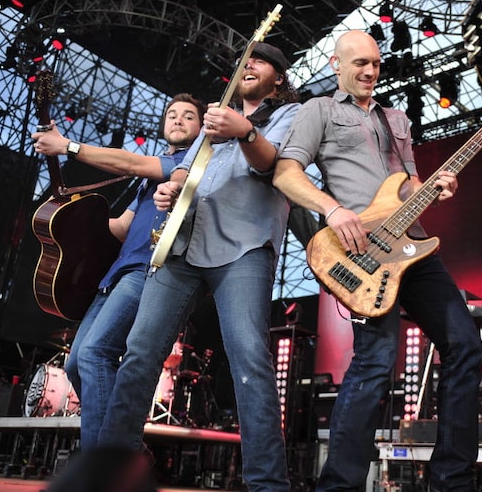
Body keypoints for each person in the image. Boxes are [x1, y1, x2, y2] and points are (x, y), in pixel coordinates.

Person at [273, 30, 482, 492]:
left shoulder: (396, 118)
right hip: (364, 252)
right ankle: (339, 485)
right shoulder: (320, 111)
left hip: (414, 245)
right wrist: (332, 208)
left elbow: (406, 184)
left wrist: (433, 187)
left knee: (465, 345)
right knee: (376, 360)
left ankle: (451, 480)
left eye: (375, 63)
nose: (370, 71)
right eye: (359, 64)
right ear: (336, 64)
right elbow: (286, 174)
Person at [96, 43, 300, 492]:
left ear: (279, 78)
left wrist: (245, 132)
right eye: (243, 61)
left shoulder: (291, 115)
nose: (247, 66)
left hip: (244, 246)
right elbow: (182, 173)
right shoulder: (210, 125)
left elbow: (276, 166)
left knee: (249, 358)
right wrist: (169, 190)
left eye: (259, 62)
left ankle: (268, 484)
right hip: (182, 246)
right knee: (139, 352)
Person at [31, 93, 205, 449]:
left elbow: (131, 163)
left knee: (97, 353)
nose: (178, 120)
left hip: (147, 268)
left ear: (201, 127)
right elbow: (122, 227)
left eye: (188, 116)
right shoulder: (148, 179)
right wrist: (68, 223)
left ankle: (103, 463)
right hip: (115, 273)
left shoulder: (194, 161)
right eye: (172, 114)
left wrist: (67, 145)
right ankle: (126, 449)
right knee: (78, 363)